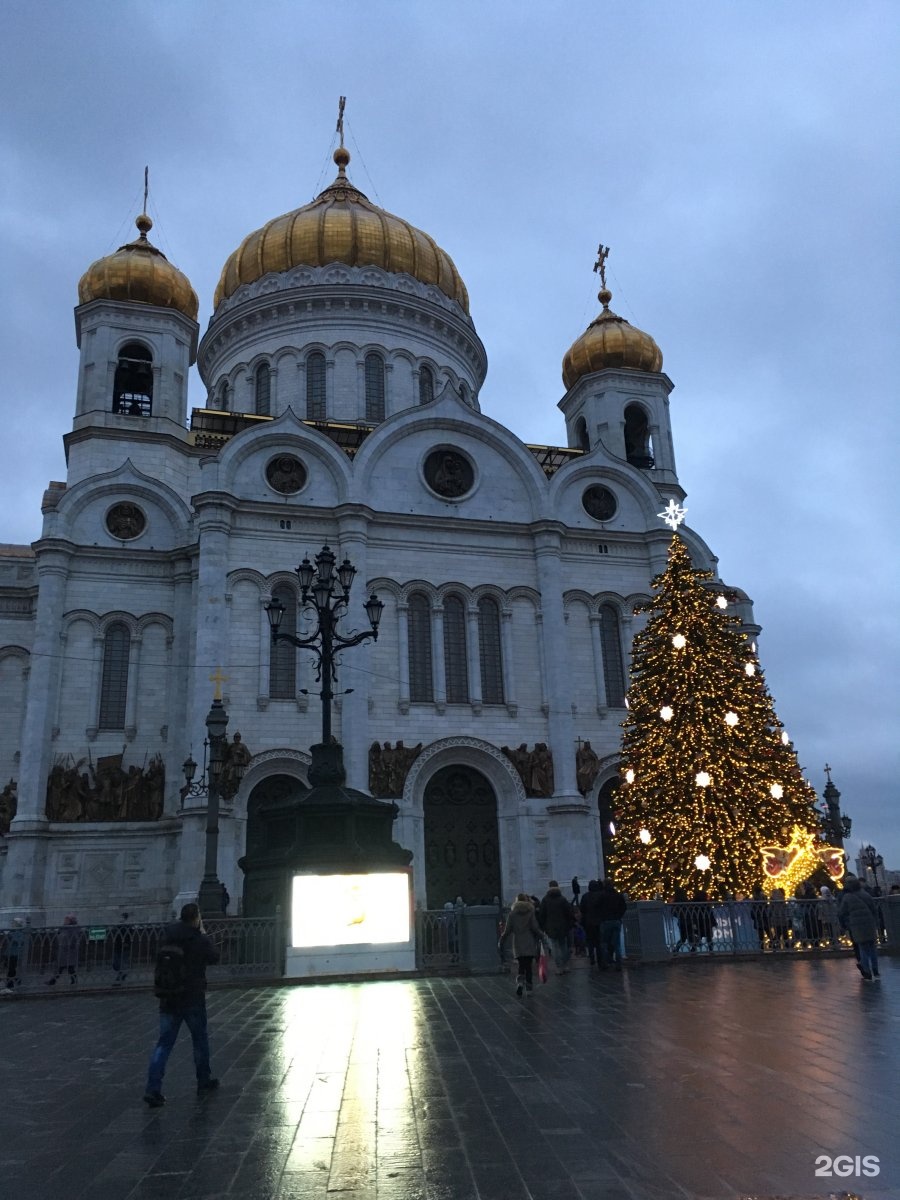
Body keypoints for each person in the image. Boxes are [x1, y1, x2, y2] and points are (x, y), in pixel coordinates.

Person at [143, 902, 221, 1106]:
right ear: (196, 918)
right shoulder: (198, 939)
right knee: (199, 1040)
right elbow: (214, 957)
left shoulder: (166, 936)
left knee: (163, 1044)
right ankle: (203, 1079)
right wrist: (203, 934)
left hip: (168, 998)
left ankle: (153, 1088)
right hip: (192, 998)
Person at [498, 894, 544, 996]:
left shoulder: (512, 914)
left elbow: (508, 930)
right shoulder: (530, 912)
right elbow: (535, 927)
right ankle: (529, 989)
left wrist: (502, 940)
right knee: (528, 966)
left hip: (517, 942)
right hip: (529, 941)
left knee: (521, 965)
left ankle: (520, 983)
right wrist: (542, 935)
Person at [838, 876, 880, 981]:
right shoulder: (865, 894)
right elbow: (874, 909)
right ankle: (876, 971)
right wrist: (875, 922)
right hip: (869, 924)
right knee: (872, 948)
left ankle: (867, 972)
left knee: (863, 949)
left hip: (856, 926)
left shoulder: (847, 897)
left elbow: (841, 912)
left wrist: (844, 924)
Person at [538, 880, 574, 974]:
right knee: (563, 946)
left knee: (554, 947)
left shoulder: (545, 900)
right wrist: (569, 925)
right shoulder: (562, 899)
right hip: (563, 927)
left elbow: (542, 914)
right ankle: (565, 965)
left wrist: (542, 927)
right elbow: (569, 913)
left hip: (550, 927)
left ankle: (558, 966)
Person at [596, 880, 628, 968]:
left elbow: (597, 908)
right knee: (616, 943)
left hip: (605, 921)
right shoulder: (618, 895)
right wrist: (619, 916)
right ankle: (618, 963)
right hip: (616, 920)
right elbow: (624, 907)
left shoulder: (602, 896)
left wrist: (601, 917)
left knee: (604, 943)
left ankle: (606, 961)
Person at [47, 915, 81, 986]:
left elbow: (73, 940)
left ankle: (53, 981)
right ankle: (73, 981)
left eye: (67, 920)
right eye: (65, 920)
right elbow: (59, 934)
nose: (65, 921)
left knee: (65, 967)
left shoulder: (73, 929)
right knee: (66, 968)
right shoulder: (64, 928)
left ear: (71, 921)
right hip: (63, 951)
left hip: (69, 951)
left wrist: (68, 945)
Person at [579, 880, 604, 966]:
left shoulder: (585, 896)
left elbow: (582, 909)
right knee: (599, 942)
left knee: (590, 941)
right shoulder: (601, 895)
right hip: (599, 921)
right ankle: (600, 960)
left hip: (588, 922)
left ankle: (592, 958)